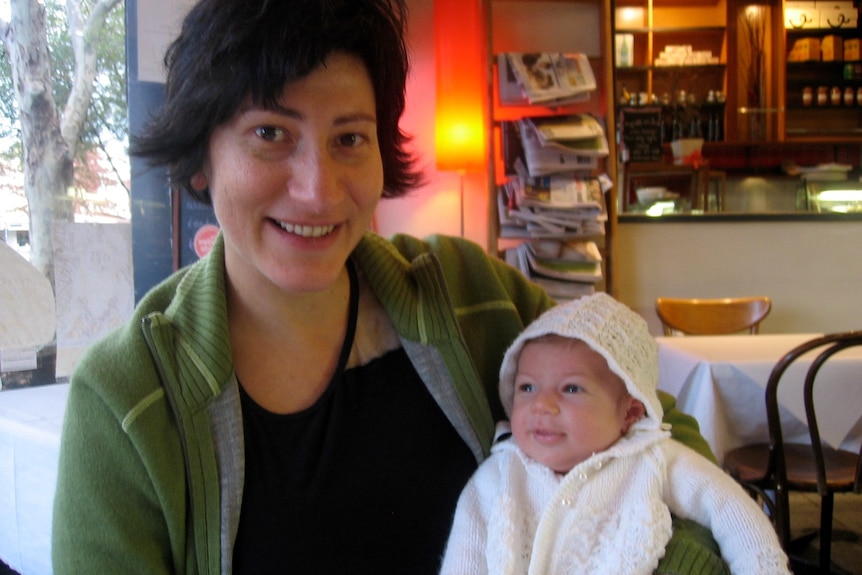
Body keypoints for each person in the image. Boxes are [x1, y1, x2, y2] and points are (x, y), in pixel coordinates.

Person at [52, 0, 726, 573]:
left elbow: (659, 429)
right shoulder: (128, 399)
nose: (317, 189)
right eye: (270, 133)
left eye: (349, 138)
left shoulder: (475, 298)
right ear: (202, 158)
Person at [439, 293, 792, 575]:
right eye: (527, 387)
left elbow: (729, 508)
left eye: (571, 389)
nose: (542, 405)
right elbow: (465, 556)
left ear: (630, 411)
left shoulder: (652, 459)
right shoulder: (498, 476)